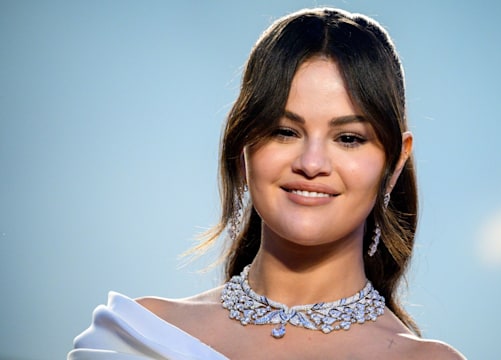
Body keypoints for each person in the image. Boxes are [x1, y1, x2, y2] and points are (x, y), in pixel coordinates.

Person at [69, 7, 465, 359]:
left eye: (348, 138)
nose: (311, 164)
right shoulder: (137, 335)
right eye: (284, 131)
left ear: (394, 163)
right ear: (243, 144)